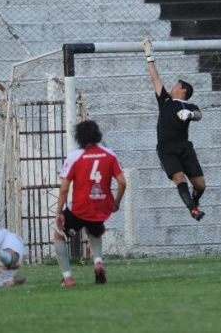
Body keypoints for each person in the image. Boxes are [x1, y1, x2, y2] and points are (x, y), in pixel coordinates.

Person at [54, 120, 127, 287]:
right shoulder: (109, 154)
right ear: (97, 134)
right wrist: (116, 202)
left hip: (80, 208)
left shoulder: (74, 156)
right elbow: (122, 182)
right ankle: (98, 262)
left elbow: (64, 189)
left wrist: (59, 212)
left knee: (59, 235)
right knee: (94, 230)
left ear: (79, 137)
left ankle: (68, 278)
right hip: (101, 206)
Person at [143, 37, 206, 221]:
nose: (172, 87)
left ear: (183, 91)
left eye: (176, 85)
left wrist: (190, 115)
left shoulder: (189, 106)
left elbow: (200, 115)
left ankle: (195, 199)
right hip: (166, 148)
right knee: (179, 178)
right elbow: (155, 77)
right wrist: (149, 55)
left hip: (184, 147)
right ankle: (193, 210)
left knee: (200, 185)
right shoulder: (165, 101)